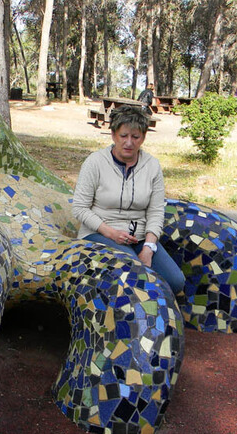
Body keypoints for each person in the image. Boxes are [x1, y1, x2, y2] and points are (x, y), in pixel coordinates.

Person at [72, 104, 185, 295]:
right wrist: (110, 232)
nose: (129, 143)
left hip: (139, 237)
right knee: (134, 273)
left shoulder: (152, 166)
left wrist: (149, 247)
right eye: (124, 136)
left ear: (143, 137)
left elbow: (156, 211)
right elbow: (80, 208)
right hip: (100, 233)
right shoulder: (95, 162)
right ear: (114, 135)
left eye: (136, 137)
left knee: (175, 281)